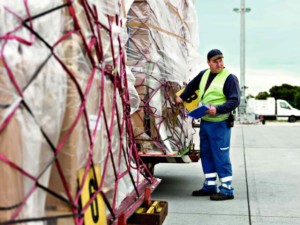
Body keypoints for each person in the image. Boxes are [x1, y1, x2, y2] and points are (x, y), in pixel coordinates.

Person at [176, 49, 240, 201]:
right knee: (206, 154)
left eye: (221, 60)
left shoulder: (229, 78)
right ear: (209, 63)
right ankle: (210, 185)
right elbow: (192, 86)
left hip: (220, 123)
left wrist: (217, 109)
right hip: (206, 122)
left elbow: (235, 100)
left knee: (220, 155)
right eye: (215, 61)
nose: (219, 64)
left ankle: (226, 189)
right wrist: (182, 97)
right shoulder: (204, 74)